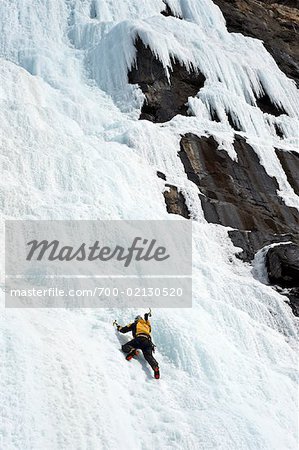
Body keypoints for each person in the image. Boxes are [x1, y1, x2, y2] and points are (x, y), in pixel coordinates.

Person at [117, 313, 160, 379]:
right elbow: (149, 327)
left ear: (136, 320)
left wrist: (119, 327)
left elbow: (124, 330)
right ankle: (155, 367)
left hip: (139, 339)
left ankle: (133, 351)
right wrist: (146, 319)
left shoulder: (135, 324)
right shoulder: (146, 325)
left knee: (125, 347)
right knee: (149, 356)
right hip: (148, 342)